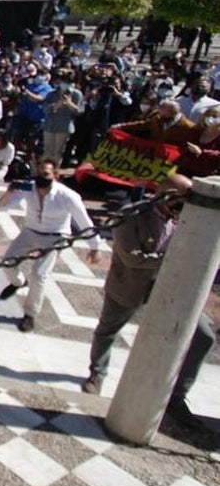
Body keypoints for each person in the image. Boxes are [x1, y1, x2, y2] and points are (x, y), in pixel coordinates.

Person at [82, 176, 215, 428]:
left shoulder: (191, 219)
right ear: (164, 194)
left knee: (204, 336)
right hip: (130, 285)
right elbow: (132, 258)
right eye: (180, 197)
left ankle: (176, 395)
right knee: (108, 330)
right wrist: (172, 261)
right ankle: (97, 374)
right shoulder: (132, 216)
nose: (184, 204)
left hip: (170, 288)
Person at [0, 157, 102, 332]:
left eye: (45, 174)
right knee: (7, 261)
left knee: (39, 275)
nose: (40, 177)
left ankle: (30, 314)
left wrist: (95, 247)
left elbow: (84, 222)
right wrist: (9, 192)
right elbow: (1, 207)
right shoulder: (29, 188)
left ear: (55, 175)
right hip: (31, 231)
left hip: (55, 236)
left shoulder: (67, 196)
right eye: (38, 173)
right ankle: (19, 282)